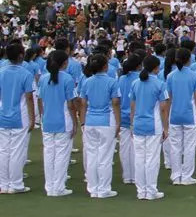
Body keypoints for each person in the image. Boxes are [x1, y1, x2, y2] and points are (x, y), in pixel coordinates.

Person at [37, 49, 78, 196]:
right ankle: (58, 187)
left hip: (47, 120)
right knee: (61, 154)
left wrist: (43, 115)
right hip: (63, 120)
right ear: (65, 63)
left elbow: (40, 100)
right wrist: (75, 122)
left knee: (49, 153)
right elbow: (70, 104)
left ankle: (50, 186)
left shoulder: (43, 78)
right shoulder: (67, 79)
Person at [80, 53, 121, 198]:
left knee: (92, 155)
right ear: (105, 66)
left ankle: (93, 188)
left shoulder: (86, 82)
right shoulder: (111, 82)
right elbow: (115, 102)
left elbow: (83, 103)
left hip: (90, 121)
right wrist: (118, 121)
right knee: (105, 157)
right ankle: (103, 189)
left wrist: (83, 121)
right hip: (106, 121)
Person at [130, 54, 170, 200]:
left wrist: (132, 124)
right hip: (154, 125)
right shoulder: (160, 84)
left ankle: (141, 191)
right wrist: (166, 128)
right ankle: (151, 190)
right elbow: (163, 108)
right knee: (151, 159)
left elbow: (132, 106)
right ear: (156, 68)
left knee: (139, 158)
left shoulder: (135, 83)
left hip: (139, 124)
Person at [0, 43, 36, 194]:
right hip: (19, 116)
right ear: (21, 56)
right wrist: (33, 118)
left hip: (2, 113)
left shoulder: (1, 71)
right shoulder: (25, 74)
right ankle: (15, 184)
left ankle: (3, 184)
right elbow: (29, 97)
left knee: (3, 150)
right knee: (16, 151)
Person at [166, 47, 196, 185]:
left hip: (174, 115)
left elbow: (168, 99)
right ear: (189, 59)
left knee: (175, 146)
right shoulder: (195, 76)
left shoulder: (170, 76)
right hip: (189, 115)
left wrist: (166, 118)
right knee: (188, 146)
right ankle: (186, 176)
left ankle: (176, 176)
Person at [118, 54, 143, 185]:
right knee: (135, 148)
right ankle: (134, 175)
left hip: (122, 116)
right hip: (136, 116)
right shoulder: (140, 78)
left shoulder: (121, 79)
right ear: (139, 66)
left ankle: (127, 176)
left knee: (124, 147)